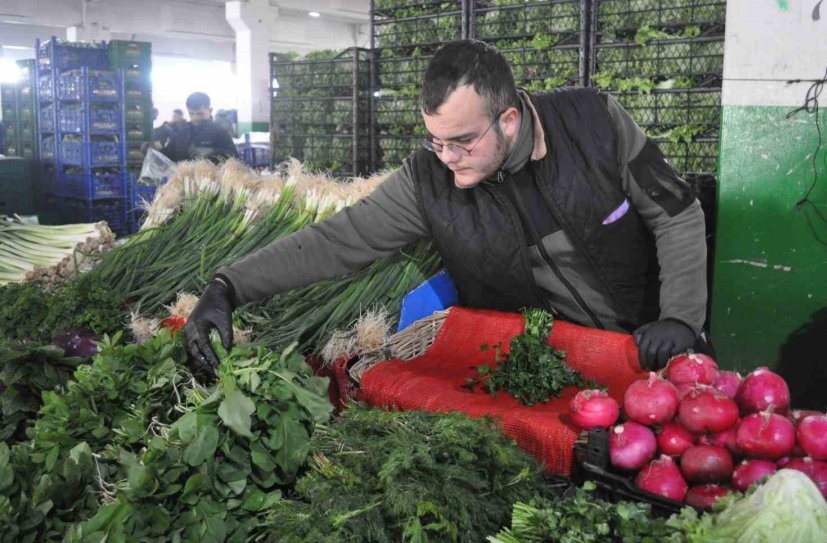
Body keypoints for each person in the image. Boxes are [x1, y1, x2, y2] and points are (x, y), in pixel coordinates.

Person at [184, 40, 708, 381]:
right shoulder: (429, 181)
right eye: (436, 141)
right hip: (558, 366)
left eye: (461, 141)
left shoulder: (595, 122)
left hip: (652, 345)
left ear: (507, 119)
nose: (448, 159)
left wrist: (680, 318)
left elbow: (677, 213)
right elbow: (337, 241)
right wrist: (228, 287)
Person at [162, 92, 238, 163]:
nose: (195, 118)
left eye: (200, 114)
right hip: (182, 176)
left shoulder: (220, 133)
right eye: (191, 114)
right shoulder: (181, 133)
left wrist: (212, 151)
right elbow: (166, 156)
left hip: (210, 176)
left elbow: (235, 157)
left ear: (210, 110)